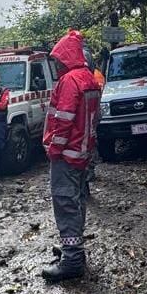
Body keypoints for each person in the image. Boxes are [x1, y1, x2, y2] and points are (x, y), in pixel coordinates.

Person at [42, 30, 101, 281]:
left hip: (66, 153)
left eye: (58, 59)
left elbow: (63, 119)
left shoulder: (70, 80)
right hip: (82, 151)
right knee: (77, 200)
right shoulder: (89, 78)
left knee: (65, 201)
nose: (56, 64)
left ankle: (73, 258)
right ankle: (73, 247)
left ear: (66, 57)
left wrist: (54, 149)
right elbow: (94, 118)